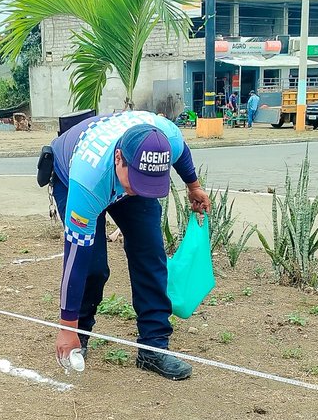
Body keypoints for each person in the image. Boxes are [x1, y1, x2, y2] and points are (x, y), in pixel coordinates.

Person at [49, 109, 211, 381]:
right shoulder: (87, 180)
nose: (135, 191)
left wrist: (193, 185)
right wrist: (67, 326)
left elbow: (181, 152)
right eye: (135, 184)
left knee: (150, 254)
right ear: (118, 159)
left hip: (133, 170)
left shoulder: (166, 136)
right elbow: (75, 257)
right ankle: (79, 334)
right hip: (74, 175)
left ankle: (153, 346)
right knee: (92, 265)